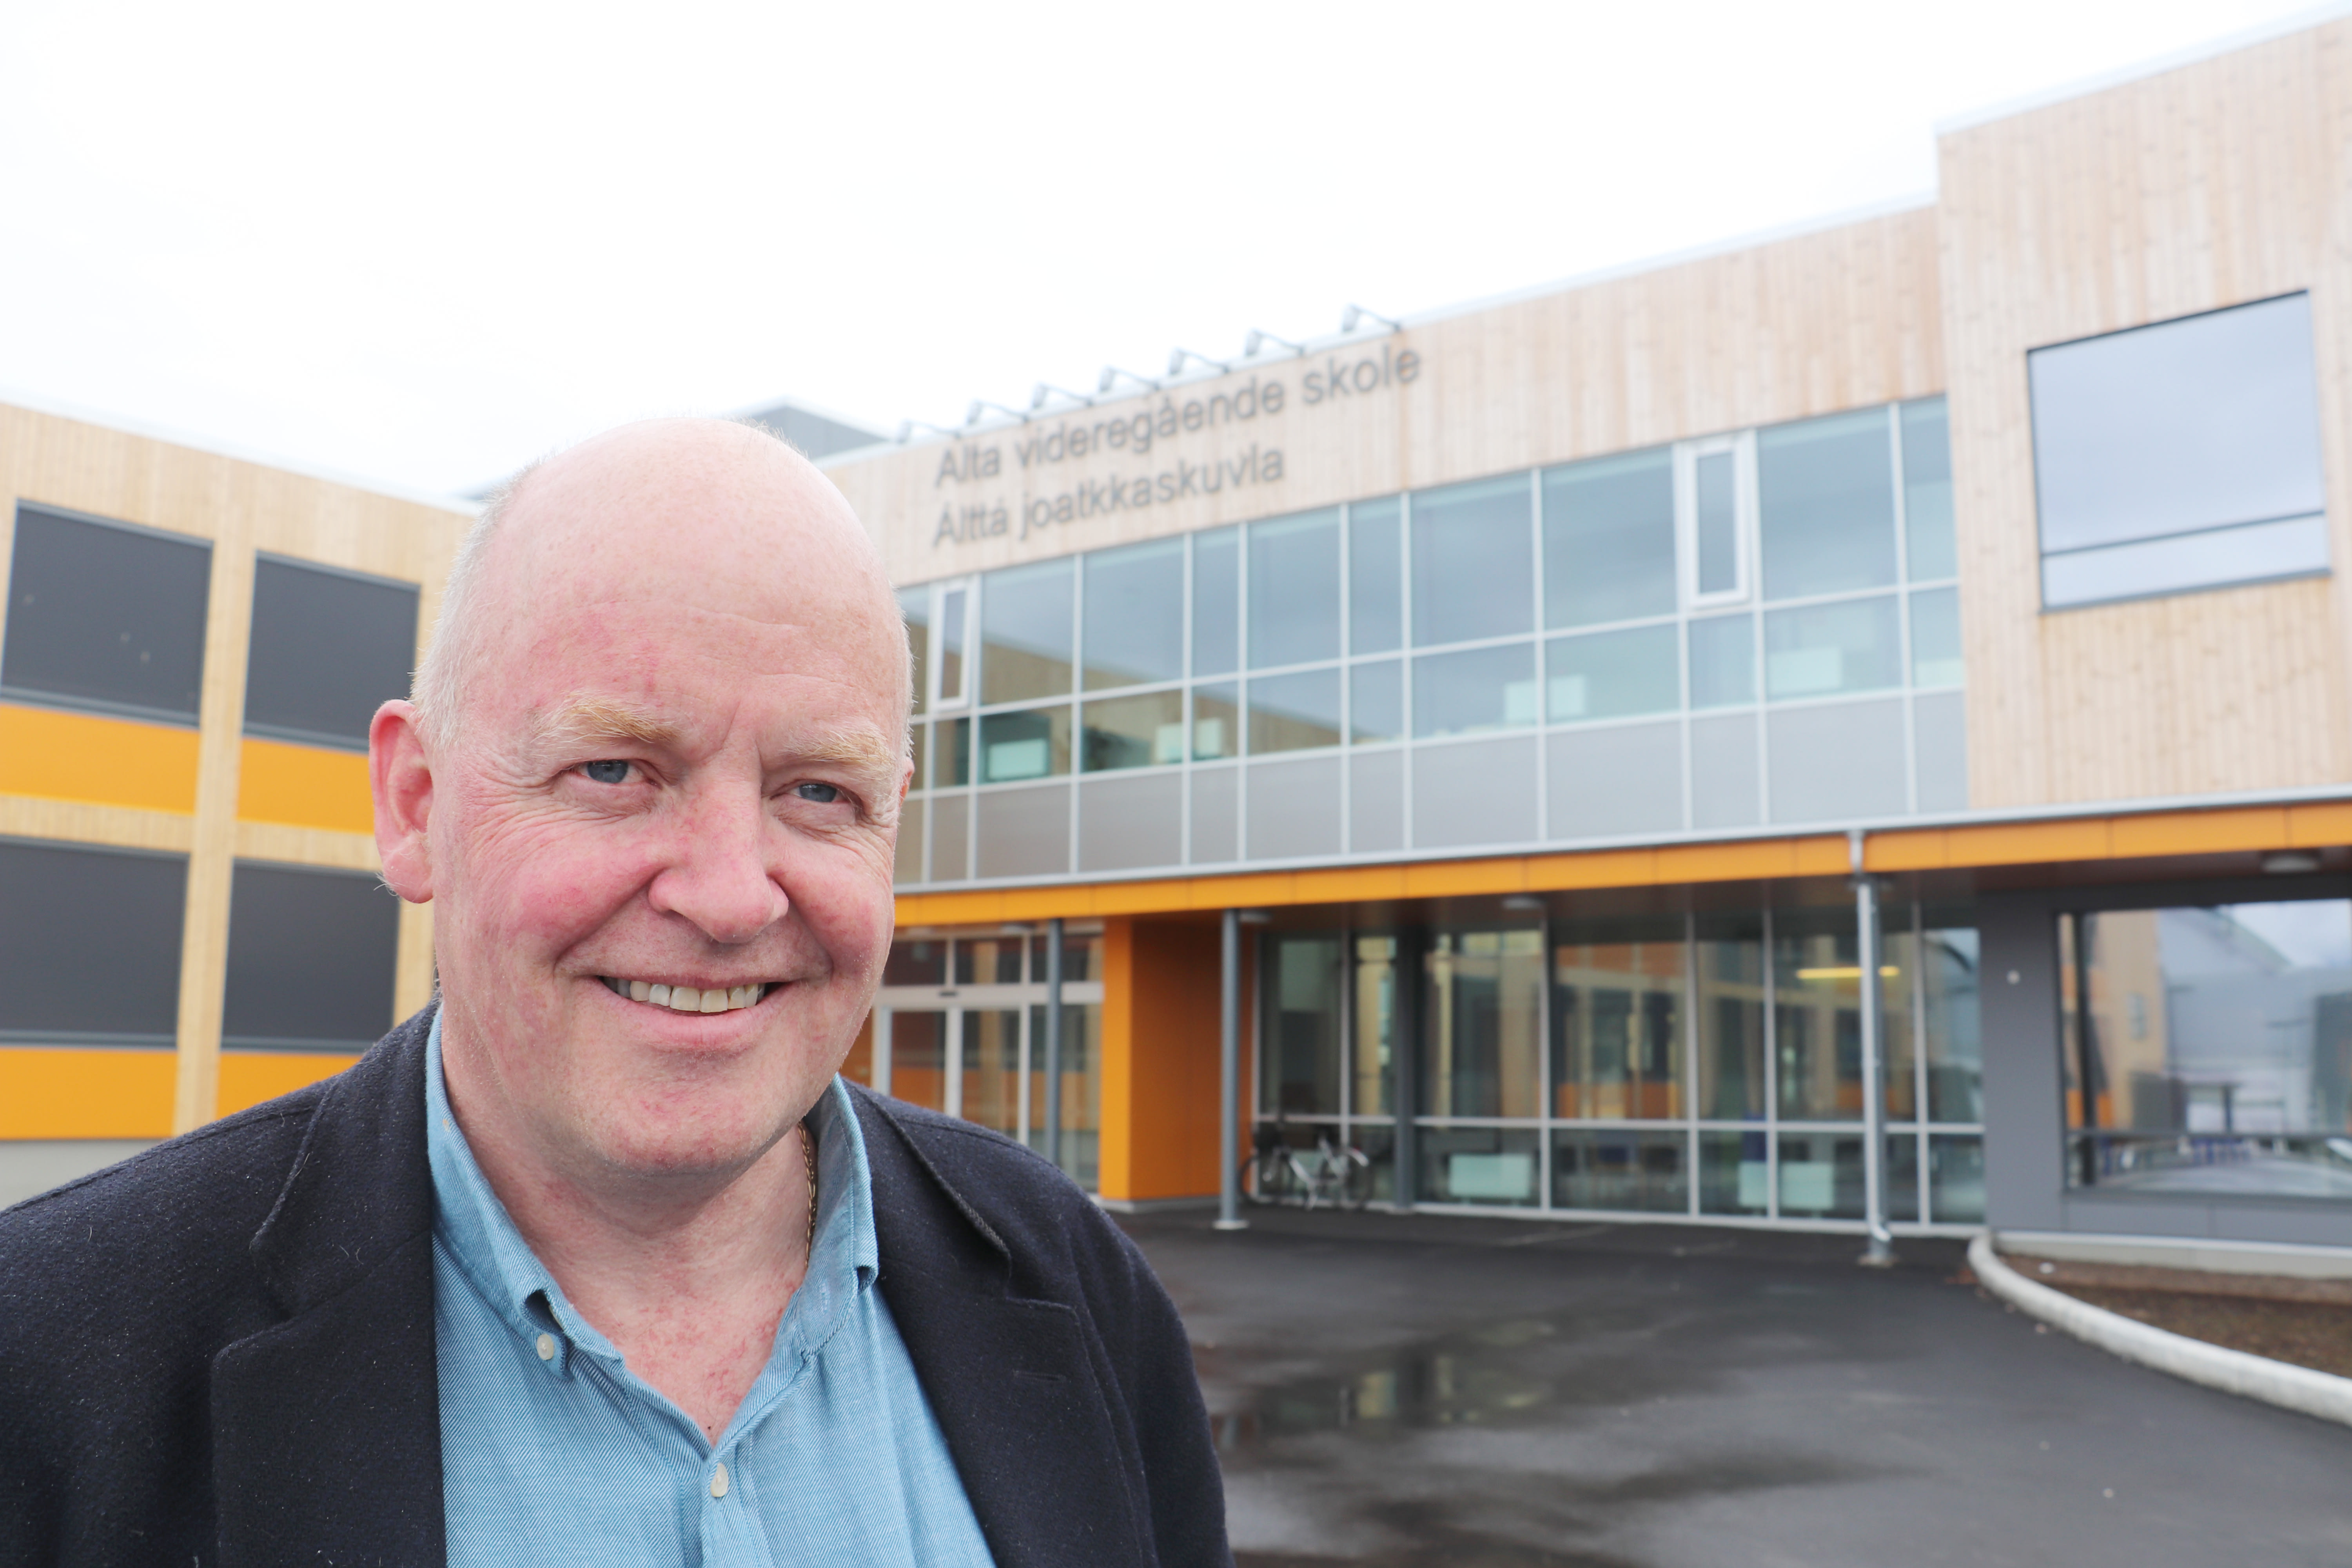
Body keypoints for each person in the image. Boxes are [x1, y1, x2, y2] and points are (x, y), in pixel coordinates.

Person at [0, 419, 1230, 1567]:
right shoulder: (46, 1366)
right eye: (613, 770)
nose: (731, 897)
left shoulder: (1082, 1289)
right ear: (415, 805)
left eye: (820, 792)